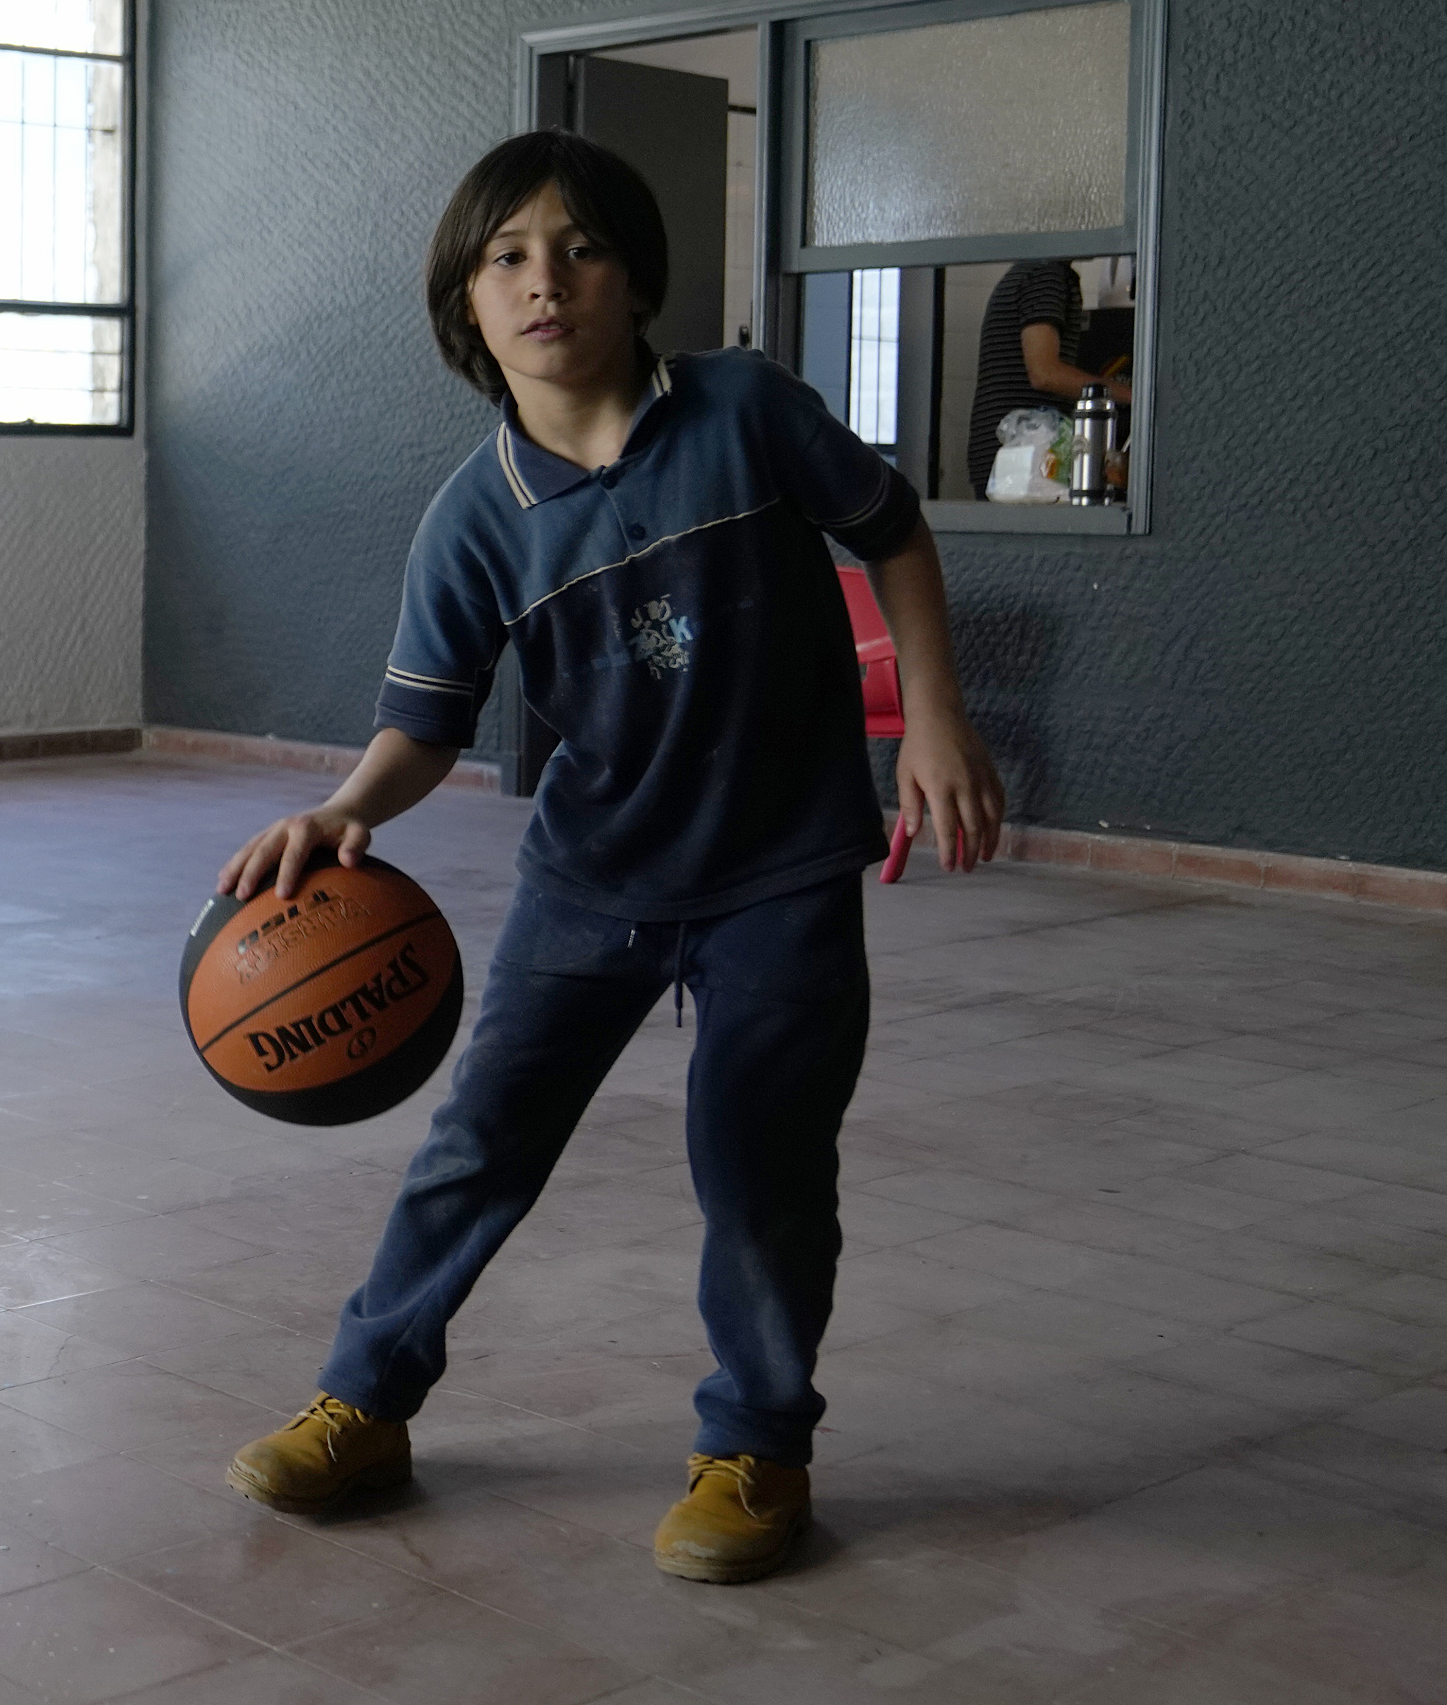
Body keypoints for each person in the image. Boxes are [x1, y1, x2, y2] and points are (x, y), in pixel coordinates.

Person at [215, 131, 1004, 1584]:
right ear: (465, 301)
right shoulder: (473, 519)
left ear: (635, 278)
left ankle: (757, 1444)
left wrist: (937, 719)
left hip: (781, 871)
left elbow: (894, 533)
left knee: (762, 1170)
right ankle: (367, 1402)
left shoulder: (745, 410)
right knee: (477, 1145)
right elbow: (424, 725)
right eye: (508, 256)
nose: (546, 280)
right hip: (592, 882)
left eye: (580, 248)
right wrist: (347, 807)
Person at [964, 257, 1126, 497]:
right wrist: (1134, 395)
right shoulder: (1045, 275)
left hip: (1016, 451)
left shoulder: (1034, 271)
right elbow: (1045, 374)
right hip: (1023, 455)